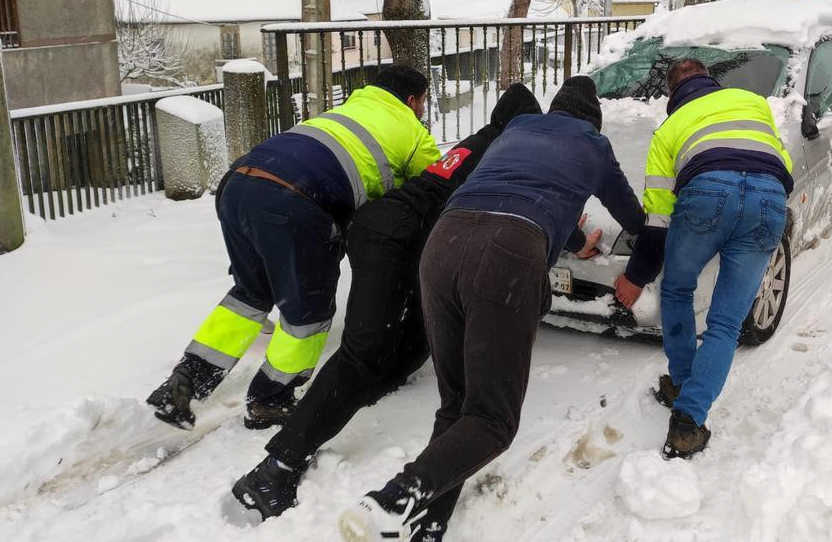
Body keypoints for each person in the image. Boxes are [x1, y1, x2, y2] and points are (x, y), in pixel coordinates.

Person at [228, 84, 563, 527]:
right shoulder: (505, 153)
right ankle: (276, 470)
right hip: (400, 239)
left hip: (382, 228)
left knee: (413, 334)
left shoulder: (473, 143)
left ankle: (375, 385)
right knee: (361, 355)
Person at [335, 75, 646, 542]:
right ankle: (393, 499)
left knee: (458, 405)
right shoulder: (594, 144)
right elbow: (632, 216)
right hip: (509, 251)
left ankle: (427, 524)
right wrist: (648, 243)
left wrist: (576, 241)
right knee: (493, 420)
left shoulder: (518, 130)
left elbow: (524, 186)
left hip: (443, 244)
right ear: (593, 122)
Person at [146, 64, 441, 431]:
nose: (423, 111)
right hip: (295, 203)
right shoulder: (413, 133)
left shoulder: (342, 112)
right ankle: (271, 400)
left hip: (239, 184)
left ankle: (186, 380)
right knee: (308, 313)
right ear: (413, 101)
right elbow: (435, 188)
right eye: (423, 104)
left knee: (250, 295)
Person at [613, 58, 793, 459]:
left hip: (707, 193)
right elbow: (782, 159)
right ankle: (688, 423)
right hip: (769, 199)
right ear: (711, 81)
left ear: (672, 96)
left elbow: (658, 218)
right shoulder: (752, 103)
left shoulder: (669, 129)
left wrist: (637, 275)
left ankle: (681, 383)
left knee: (677, 289)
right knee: (727, 323)